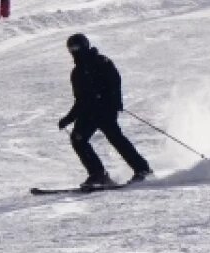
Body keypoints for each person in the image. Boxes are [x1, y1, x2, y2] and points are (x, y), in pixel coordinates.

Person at [57, 33, 153, 190]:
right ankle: (98, 174)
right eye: (71, 48)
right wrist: (68, 118)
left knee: (115, 138)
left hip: (105, 110)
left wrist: (115, 102)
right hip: (88, 113)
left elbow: (115, 82)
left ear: (85, 45)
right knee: (78, 139)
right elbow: (80, 100)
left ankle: (142, 169)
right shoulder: (77, 73)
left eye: (76, 47)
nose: (74, 51)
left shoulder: (101, 62)